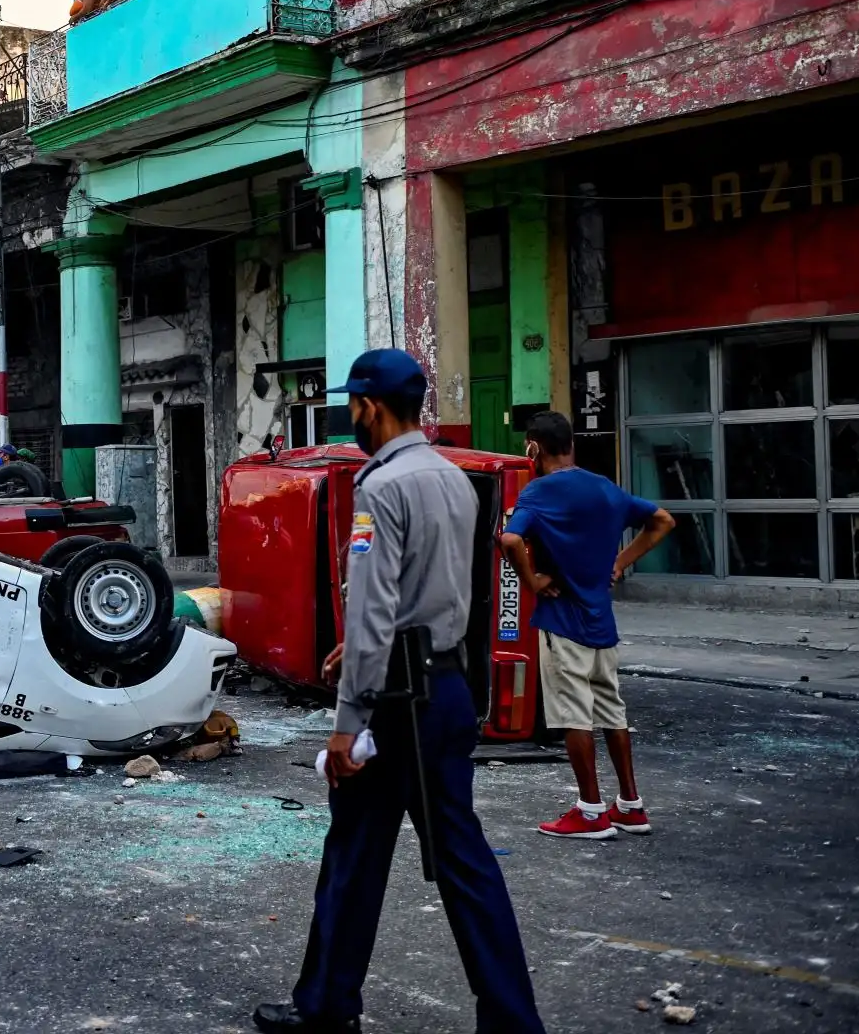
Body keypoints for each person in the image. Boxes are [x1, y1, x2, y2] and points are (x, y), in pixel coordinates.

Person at [253, 348, 545, 1034]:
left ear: (369, 408)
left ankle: (327, 1006)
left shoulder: (380, 488)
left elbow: (376, 604)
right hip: (444, 688)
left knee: (356, 853)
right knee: (461, 862)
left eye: (352, 407)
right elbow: (432, 592)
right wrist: (359, 648)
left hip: (392, 702)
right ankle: (509, 1020)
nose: (351, 417)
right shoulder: (451, 478)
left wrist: (345, 721)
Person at [500, 411, 675, 840]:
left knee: (573, 716)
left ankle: (591, 810)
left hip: (563, 625)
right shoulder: (606, 489)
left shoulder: (539, 493)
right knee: (613, 714)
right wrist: (619, 562)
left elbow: (508, 539)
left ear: (533, 447)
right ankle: (630, 806)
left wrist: (533, 581)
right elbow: (663, 521)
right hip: (602, 624)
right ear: (572, 445)